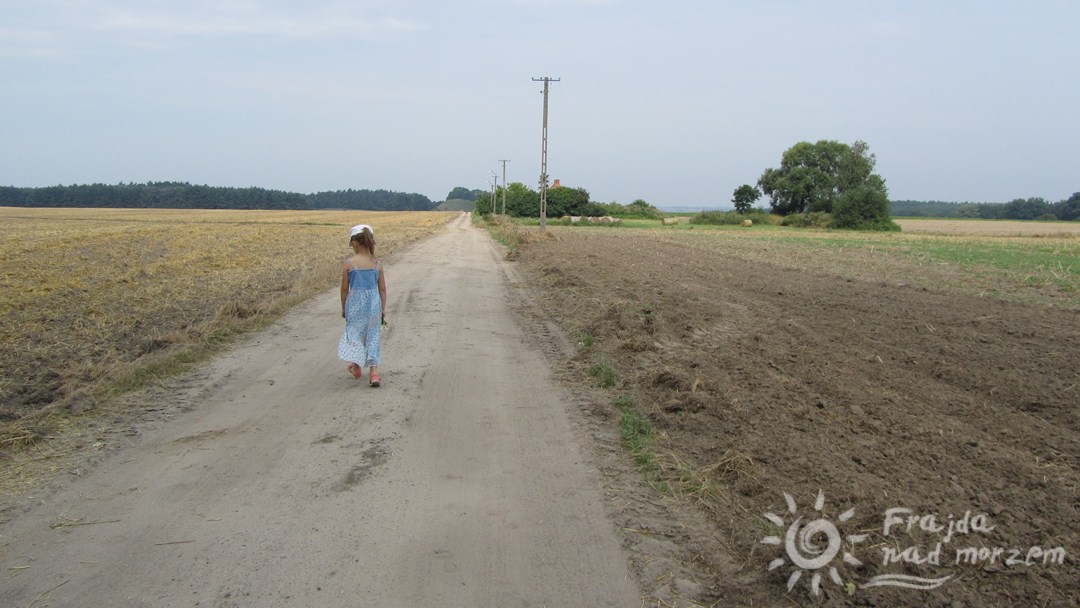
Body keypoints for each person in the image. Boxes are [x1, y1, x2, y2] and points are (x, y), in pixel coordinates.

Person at [338, 224, 387, 386]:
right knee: (372, 336)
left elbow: (344, 289)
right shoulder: (377, 264)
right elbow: (382, 289)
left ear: (355, 242)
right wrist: (383, 309)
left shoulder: (349, 264)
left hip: (354, 305)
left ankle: (357, 366)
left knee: (355, 335)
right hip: (373, 304)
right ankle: (373, 373)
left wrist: (344, 308)